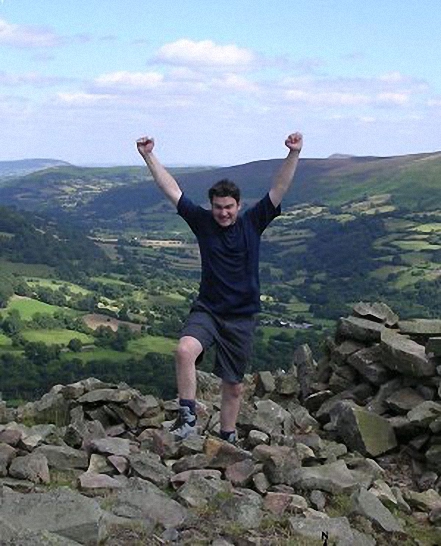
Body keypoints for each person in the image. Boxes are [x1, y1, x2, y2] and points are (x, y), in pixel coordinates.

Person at [136, 132, 303, 442]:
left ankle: (227, 438)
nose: (223, 212)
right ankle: (187, 418)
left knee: (234, 386)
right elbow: (171, 189)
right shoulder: (203, 222)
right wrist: (149, 156)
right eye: (218, 207)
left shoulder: (253, 222)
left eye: (228, 207)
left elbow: (279, 188)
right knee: (185, 350)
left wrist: (293, 153)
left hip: (241, 317)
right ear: (211, 206)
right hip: (209, 310)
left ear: (238, 205)